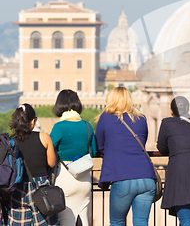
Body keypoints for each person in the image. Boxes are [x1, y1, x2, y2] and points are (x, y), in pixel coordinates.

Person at [95, 87, 156, 226]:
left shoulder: (106, 117)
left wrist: (109, 149)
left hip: (122, 177)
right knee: (141, 222)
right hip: (146, 177)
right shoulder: (141, 118)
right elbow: (142, 142)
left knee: (117, 222)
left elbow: (98, 145)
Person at [156, 96, 190, 226]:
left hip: (180, 172)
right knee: (186, 212)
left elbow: (162, 148)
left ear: (171, 110)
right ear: (188, 109)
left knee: (186, 218)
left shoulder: (167, 123)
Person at [50, 90, 96, 226]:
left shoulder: (59, 127)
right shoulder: (87, 126)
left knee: (66, 221)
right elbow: (93, 152)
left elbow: (48, 151)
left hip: (65, 179)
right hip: (85, 179)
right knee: (83, 221)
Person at [8, 103, 58, 226]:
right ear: (32, 121)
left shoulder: (10, 142)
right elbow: (52, 163)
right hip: (40, 187)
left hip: (18, 188)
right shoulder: (44, 137)